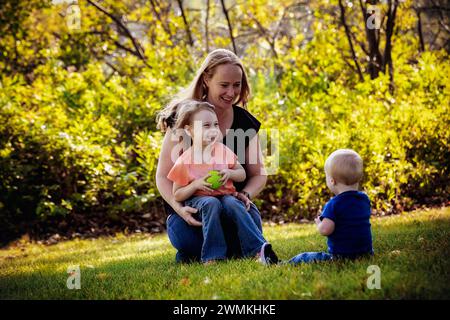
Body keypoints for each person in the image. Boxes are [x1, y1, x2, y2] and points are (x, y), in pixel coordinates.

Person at [155, 49, 278, 264]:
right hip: (194, 211)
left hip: (233, 208)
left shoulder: (245, 124)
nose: (231, 92)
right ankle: (206, 250)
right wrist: (180, 209)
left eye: (236, 85)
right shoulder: (184, 120)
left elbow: (258, 174)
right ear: (206, 80)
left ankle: (227, 249)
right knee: (188, 239)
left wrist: (246, 194)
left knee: (243, 224)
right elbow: (164, 176)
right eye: (224, 85)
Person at [167, 99, 277, 264]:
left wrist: (229, 173)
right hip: (199, 199)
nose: (213, 130)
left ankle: (257, 249)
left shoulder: (223, 151)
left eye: (215, 125)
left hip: (225, 195)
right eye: (206, 126)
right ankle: (213, 256)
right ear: (189, 131)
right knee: (211, 203)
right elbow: (177, 194)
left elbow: (241, 174)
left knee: (233, 204)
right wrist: (195, 185)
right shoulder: (185, 160)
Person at [288, 149, 373, 264]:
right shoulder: (364, 199)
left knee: (305, 257)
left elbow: (326, 230)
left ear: (332, 181)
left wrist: (319, 224)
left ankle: (281, 264)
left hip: (342, 257)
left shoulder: (333, 204)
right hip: (365, 254)